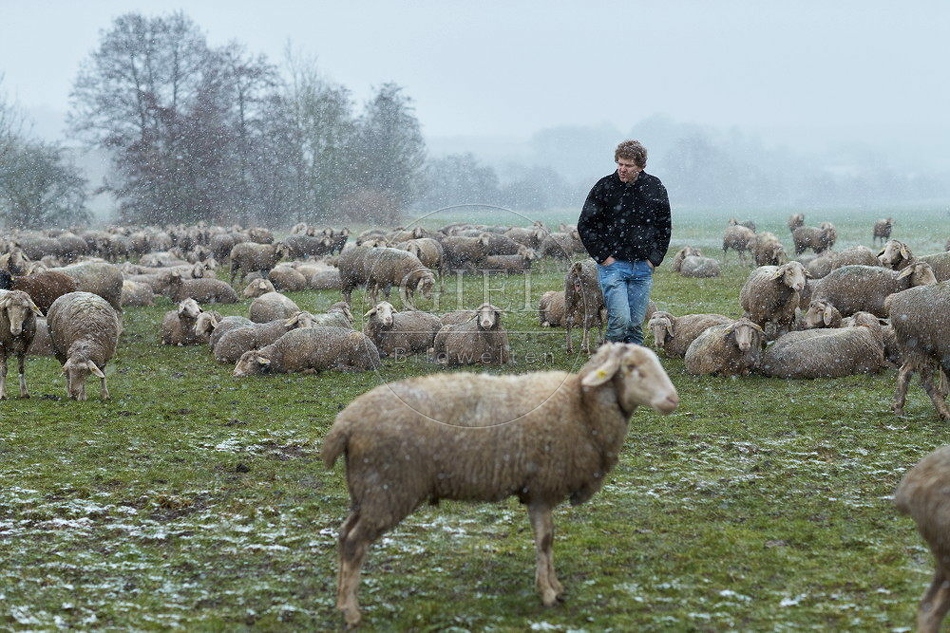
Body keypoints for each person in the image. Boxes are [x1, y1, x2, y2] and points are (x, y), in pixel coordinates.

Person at [577, 139, 672, 346]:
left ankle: (632, 368)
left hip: (642, 266)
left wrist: (653, 259)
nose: (622, 169)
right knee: (620, 320)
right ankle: (609, 360)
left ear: (640, 166)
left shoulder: (654, 187)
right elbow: (585, 224)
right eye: (619, 164)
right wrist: (603, 257)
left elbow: (664, 226)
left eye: (628, 165)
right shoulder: (604, 187)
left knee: (635, 324)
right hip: (613, 266)